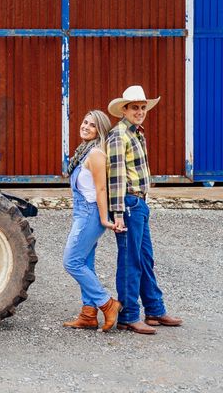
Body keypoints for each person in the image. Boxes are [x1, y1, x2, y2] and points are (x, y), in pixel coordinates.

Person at [107, 85, 183, 335]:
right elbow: (116, 177)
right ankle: (128, 315)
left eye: (142, 108)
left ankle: (154, 310)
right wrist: (117, 213)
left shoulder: (137, 133)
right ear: (124, 109)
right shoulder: (119, 135)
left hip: (140, 203)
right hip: (128, 204)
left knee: (145, 259)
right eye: (135, 108)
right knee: (130, 261)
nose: (140, 111)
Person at [63, 110, 122, 332]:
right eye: (85, 121)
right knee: (85, 263)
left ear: (101, 131)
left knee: (71, 261)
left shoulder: (96, 154)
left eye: (93, 125)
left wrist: (105, 218)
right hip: (81, 212)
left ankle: (107, 304)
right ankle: (88, 315)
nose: (86, 126)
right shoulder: (83, 152)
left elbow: (101, 188)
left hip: (89, 214)